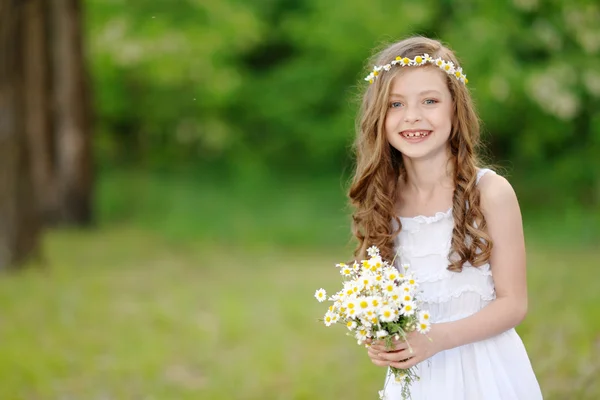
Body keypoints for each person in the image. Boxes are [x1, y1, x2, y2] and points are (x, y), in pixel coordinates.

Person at [348, 36, 543, 399]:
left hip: (485, 371)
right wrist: (383, 333)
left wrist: (437, 339)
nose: (413, 116)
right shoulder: (384, 200)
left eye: (430, 101)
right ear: (379, 115)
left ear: (456, 109)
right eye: (396, 104)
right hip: (420, 378)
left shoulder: (491, 193)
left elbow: (513, 303)